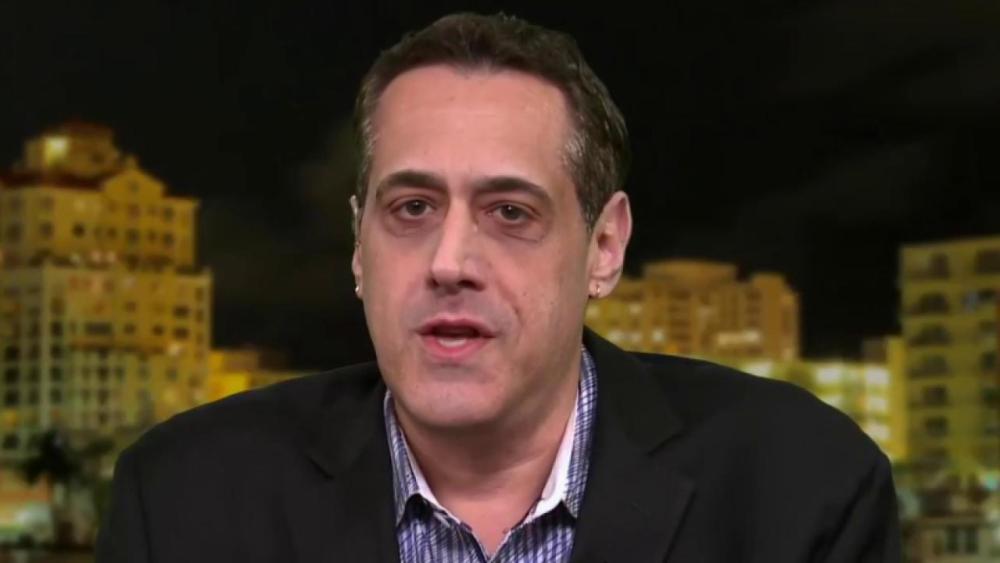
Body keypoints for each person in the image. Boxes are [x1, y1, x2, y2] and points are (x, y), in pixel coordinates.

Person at [96, 12, 900, 562]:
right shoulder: (182, 500)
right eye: (412, 208)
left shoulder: (803, 489)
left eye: (510, 212)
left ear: (604, 248)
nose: (450, 260)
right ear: (359, 245)